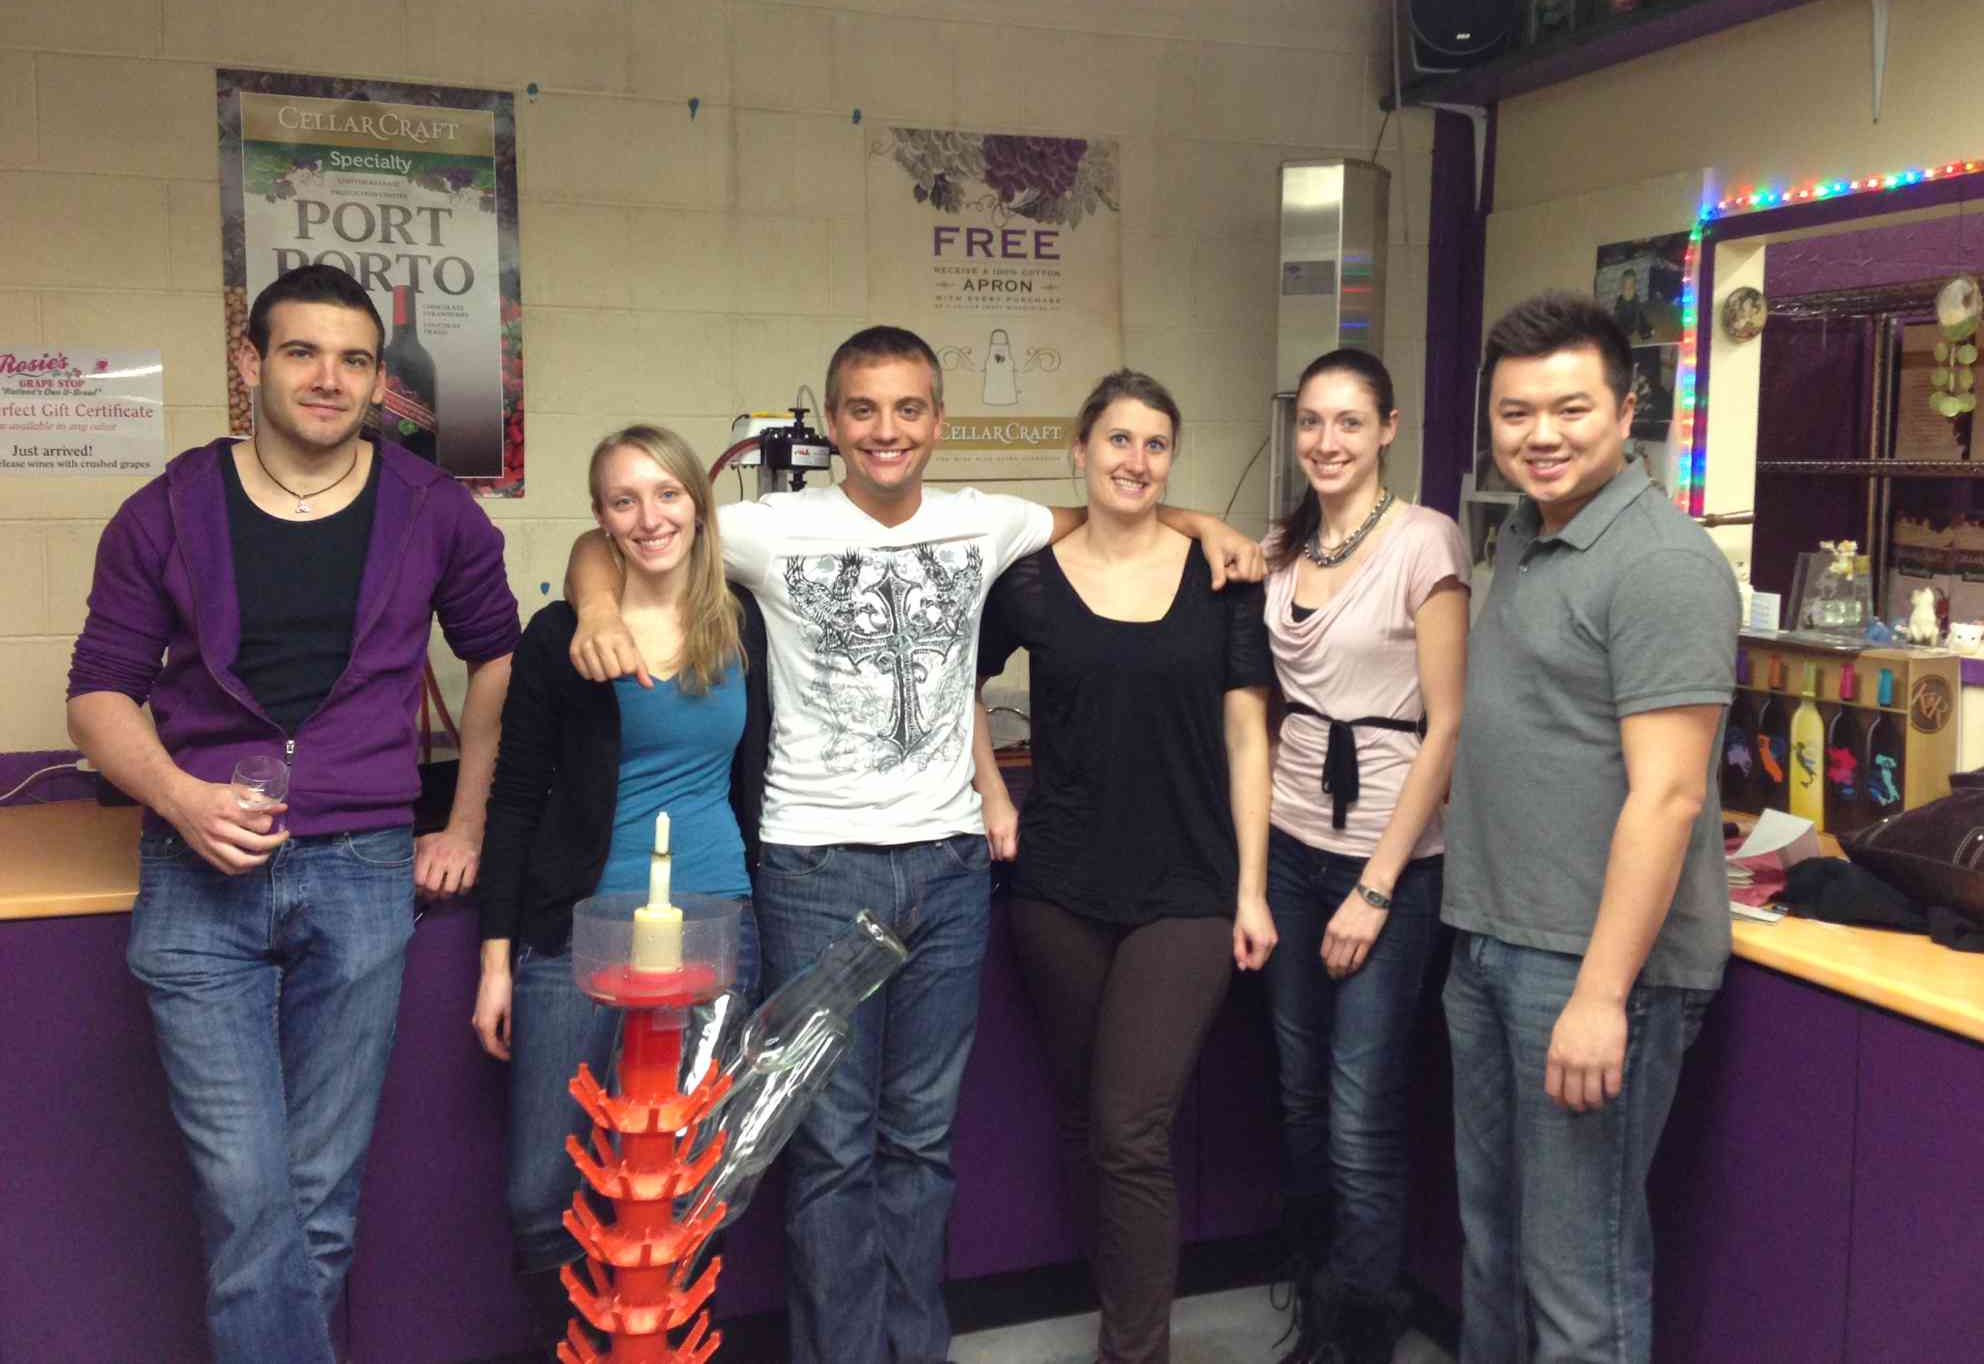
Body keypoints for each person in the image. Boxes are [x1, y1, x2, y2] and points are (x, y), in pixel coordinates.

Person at [563, 325, 1264, 1364]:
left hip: (947, 869)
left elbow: (1114, 510)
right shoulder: (769, 527)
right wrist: (589, 598)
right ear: (833, 422)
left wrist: (1206, 523)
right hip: (816, 866)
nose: (884, 430)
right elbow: (624, 531)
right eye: (862, 410)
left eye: (906, 409)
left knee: (921, 1144)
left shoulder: (986, 520)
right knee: (831, 1148)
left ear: (938, 421)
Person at [65, 264, 519, 1363]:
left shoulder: (433, 510)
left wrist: (464, 824)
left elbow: (499, 658)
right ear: (251, 363)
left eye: (355, 360)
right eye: (303, 352)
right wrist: (179, 795)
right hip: (196, 877)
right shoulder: (166, 510)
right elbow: (97, 694)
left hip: (362, 873)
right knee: (245, 1193)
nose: (329, 378)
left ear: (378, 381)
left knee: (317, 1198)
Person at [1444, 292, 1738, 1364]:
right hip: (1492, 941)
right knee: (1493, 1249)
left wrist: (1601, 997)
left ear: (1625, 411)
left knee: (1577, 1279)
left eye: (1570, 410)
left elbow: (1668, 796)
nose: (1541, 435)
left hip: (1587, 969)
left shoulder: (1661, 563)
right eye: (1515, 413)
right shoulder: (1528, 534)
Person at [971, 371, 1276, 1364]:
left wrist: (1251, 889)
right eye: (1117, 439)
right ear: (1080, 450)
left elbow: (1247, 737)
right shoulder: (1028, 580)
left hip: (1187, 888)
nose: (1135, 460)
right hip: (1058, 889)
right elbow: (953, 681)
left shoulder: (1221, 577)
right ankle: (1119, 1307)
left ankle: (1134, 1352)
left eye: (1154, 444)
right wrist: (992, 793)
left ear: (1170, 460)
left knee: (1130, 1129)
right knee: (1087, 1122)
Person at [470, 424, 771, 1340]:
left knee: (684, 1184)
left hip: (715, 921)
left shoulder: (742, 621)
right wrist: (496, 962)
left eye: (668, 494)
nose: (650, 517)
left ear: (699, 505)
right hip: (580, 928)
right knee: (541, 1192)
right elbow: (515, 798)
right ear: (599, 518)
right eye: (624, 500)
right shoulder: (563, 634)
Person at [1260, 350, 1468, 1364]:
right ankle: (1319, 1308)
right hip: (1288, 847)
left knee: (1357, 1119)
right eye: (1310, 421)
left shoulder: (1425, 541)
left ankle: (1358, 1339)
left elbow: (1448, 723)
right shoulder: (1284, 544)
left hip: (1385, 863)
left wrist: (1376, 888)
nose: (1326, 441)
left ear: (1387, 428)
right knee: (1300, 1105)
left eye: (1348, 422)